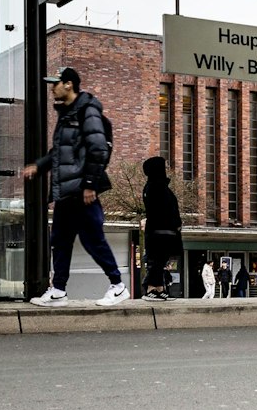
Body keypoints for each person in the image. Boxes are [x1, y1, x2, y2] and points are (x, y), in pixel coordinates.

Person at [19, 66, 126, 307]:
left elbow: (99, 148)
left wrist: (90, 184)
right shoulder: (67, 114)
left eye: (55, 83)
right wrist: (39, 166)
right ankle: (58, 290)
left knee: (93, 240)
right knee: (60, 240)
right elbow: (59, 153)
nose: (52, 88)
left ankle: (118, 286)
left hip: (80, 190)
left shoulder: (87, 112)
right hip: (67, 191)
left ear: (69, 84)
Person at [140, 156, 181, 302]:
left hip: (164, 230)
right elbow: (159, 209)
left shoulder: (158, 186)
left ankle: (159, 288)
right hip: (160, 231)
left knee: (160, 261)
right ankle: (150, 288)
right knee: (157, 261)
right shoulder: (154, 187)